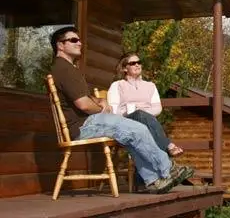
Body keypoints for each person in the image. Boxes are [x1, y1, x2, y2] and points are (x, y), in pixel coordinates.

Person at [49, 26, 193, 194]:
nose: (79, 43)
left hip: (84, 122)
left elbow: (82, 98)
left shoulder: (66, 68)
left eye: (79, 39)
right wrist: (103, 109)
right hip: (82, 126)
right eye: (73, 40)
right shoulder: (64, 69)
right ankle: (168, 169)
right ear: (60, 45)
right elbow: (84, 105)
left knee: (131, 133)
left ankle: (154, 181)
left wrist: (100, 100)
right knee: (137, 128)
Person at [107, 52, 184, 157]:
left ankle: (148, 170)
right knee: (139, 114)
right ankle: (168, 146)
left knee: (142, 118)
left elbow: (157, 108)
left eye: (139, 62)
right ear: (125, 68)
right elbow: (113, 110)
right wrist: (131, 110)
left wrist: (142, 112)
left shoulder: (150, 86)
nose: (137, 65)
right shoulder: (117, 85)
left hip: (146, 124)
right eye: (133, 63)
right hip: (126, 122)